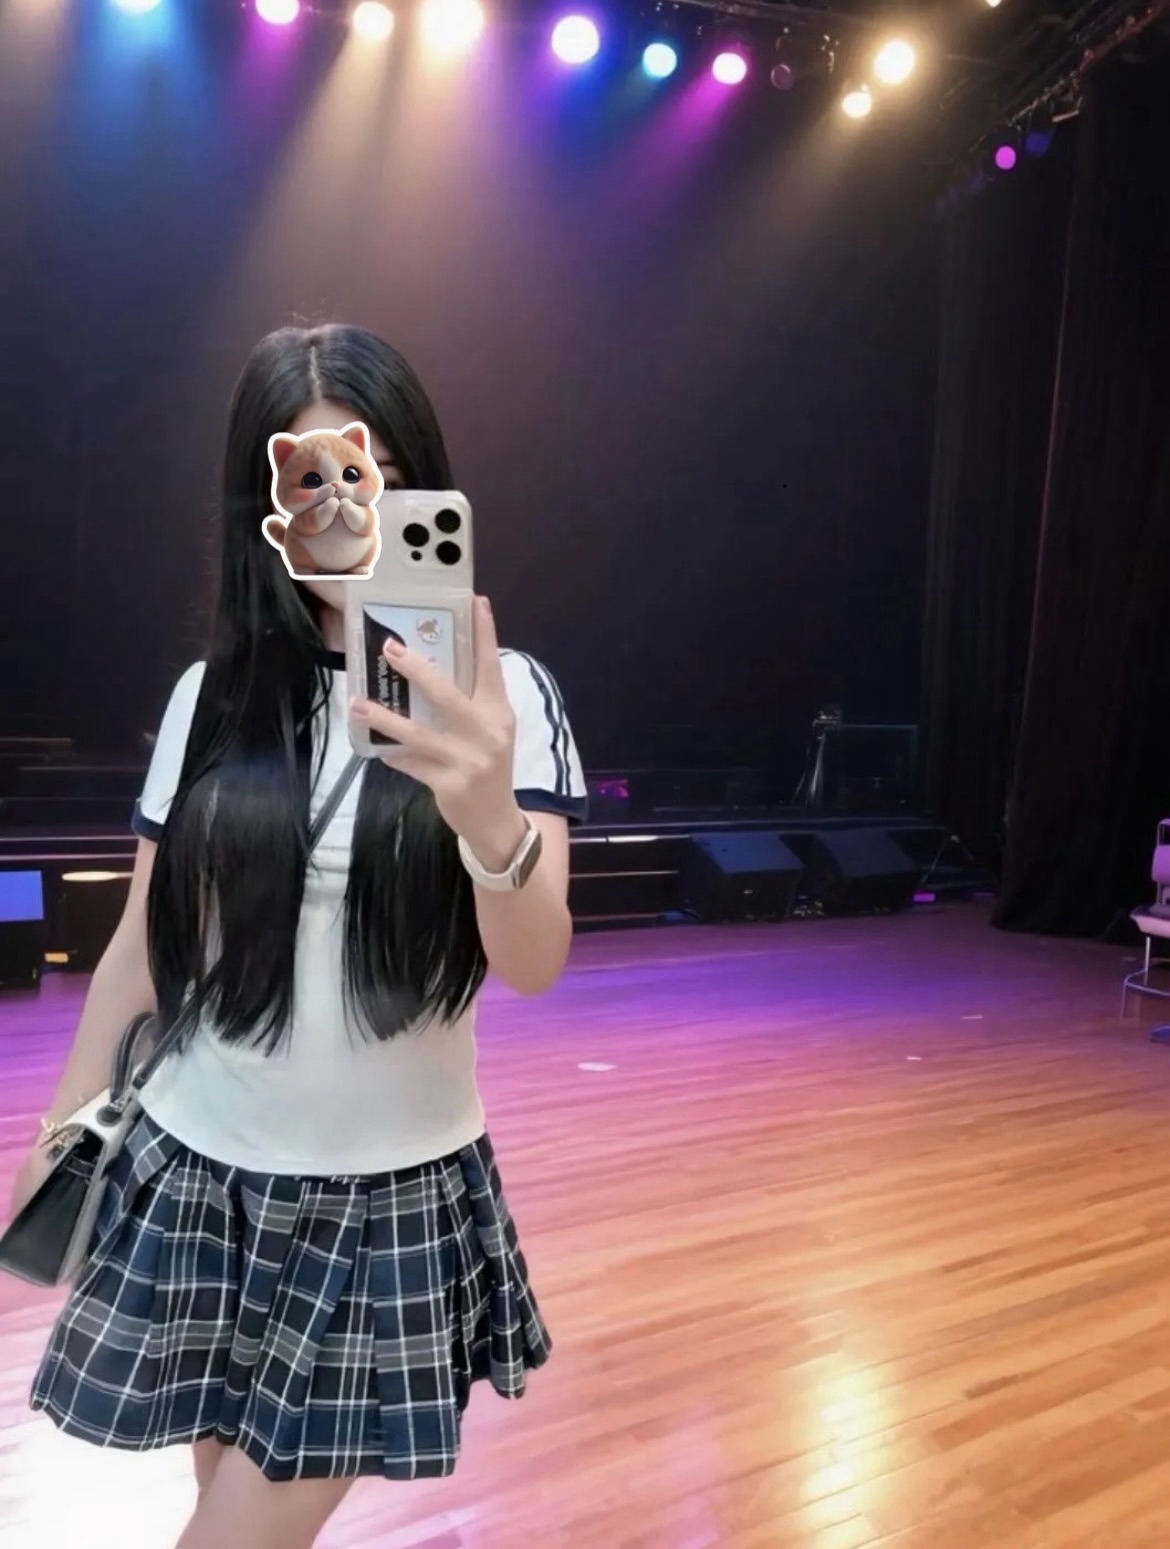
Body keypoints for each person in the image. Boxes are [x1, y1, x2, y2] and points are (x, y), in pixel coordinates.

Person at [11, 324, 587, 1549]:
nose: (340, 512)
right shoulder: (211, 699)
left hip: (387, 1201)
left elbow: (534, 960)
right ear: (263, 511)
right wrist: (59, 1135)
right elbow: (142, 950)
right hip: (199, 1178)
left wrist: (487, 811)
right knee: (227, 1508)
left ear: (418, 489)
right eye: (305, 482)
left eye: (368, 476)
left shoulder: (503, 696)